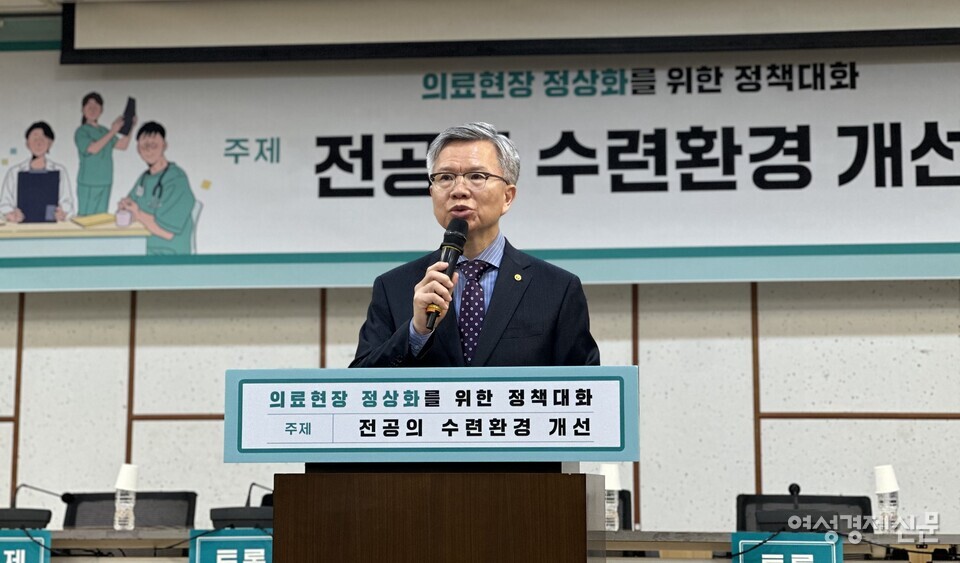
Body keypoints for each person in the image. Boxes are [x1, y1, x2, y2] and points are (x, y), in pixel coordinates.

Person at [351, 122, 599, 368]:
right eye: (445, 177)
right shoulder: (394, 286)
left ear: (507, 196)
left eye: (476, 176)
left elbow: (588, 392)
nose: (459, 190)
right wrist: (416, 332)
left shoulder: (557, 289)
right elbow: (360, 388)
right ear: (432, 192)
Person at [118, 121, 197, 255]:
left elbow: (167, 233)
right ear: (138, 149)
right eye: (144, 146)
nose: (149, 150)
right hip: (143, 247)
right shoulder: (144, 178)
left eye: (154, 145)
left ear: (164, 145)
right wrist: (125, 206)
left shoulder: (176, 179)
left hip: (168, 252)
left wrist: (137, 213)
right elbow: (132, 203)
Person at [0, 121, 74, 223]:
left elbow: (67, 203)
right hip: (21, 229)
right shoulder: (14, 172)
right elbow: (4, 204)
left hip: (51, 228)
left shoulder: (60, 171)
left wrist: (62, 212)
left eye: (43, 139)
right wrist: (11, 214)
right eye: (34, 139)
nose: (38, 143)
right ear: (27, 143)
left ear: (50, 143)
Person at [74, 92, 134, 216]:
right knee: (86, 218)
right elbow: (93, 149)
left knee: (101, 218)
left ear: (101, 110)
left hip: (105, 180)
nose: (93, 109)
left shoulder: (104, 131)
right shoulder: (81, 131)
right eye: (89, 106)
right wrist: (113, 131)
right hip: (89, 182)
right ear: (82, 109)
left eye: (96, 106)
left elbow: (122, 145)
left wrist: (130, 125)